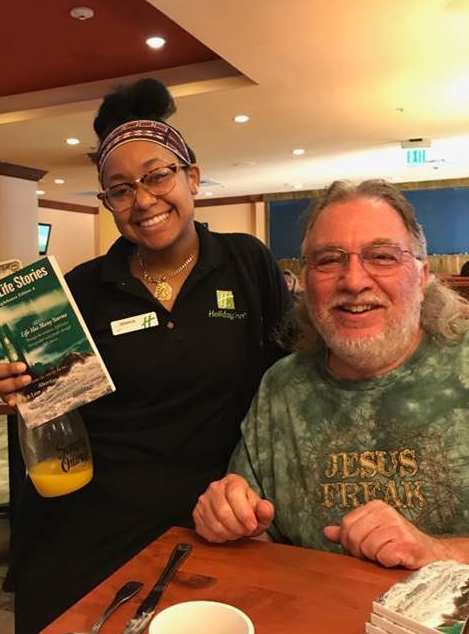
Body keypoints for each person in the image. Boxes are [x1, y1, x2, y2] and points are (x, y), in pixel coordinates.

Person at [0, 78, 291, 634]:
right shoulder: (83, 288)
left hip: (216, 510)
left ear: (192, 177)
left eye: (157, 176)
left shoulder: (247, 263)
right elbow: (52, 405)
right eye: (120, 189)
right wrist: (16, 381)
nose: (144, 200)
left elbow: (289, 377)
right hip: (97, 514)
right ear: (108, 203)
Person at [194, 179, 469, 570]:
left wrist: (435, 552)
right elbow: (258, 534)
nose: (354, 281)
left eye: (382, 256)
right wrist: (230, 516)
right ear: (306, 282)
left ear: (422, 276)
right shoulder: (282, 387)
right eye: (329, 260)